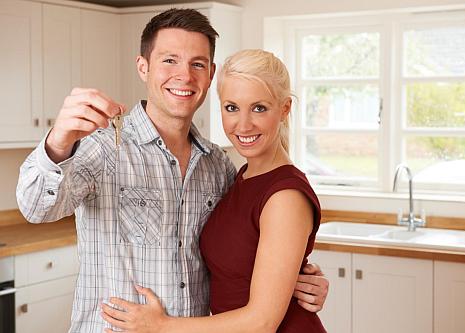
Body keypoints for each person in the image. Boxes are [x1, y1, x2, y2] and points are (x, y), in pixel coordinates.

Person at [16, 9, 328, 333]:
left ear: (210, 75)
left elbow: (241, 254)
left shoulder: (218, 166)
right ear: (143, 67)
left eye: (197, 64)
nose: (185, 76)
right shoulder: (103, 148)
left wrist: (298, 276)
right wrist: (58, 140)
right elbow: (35, 207)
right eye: (169, 60)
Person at [101, 49, 327, 333]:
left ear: (284, 109)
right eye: (232, 107)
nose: (243, 124)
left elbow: (262, 322)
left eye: (259, 108)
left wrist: (160, 326)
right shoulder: (240, 177)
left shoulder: (285, 196)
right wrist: (293, 276)